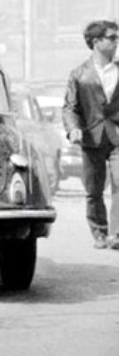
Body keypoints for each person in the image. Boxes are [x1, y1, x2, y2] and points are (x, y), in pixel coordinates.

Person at [62, 20, 119, 250]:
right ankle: (99, 233)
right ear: (96, 42)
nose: (116, 42)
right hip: (91, 137)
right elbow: (70, 107)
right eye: (112, 38)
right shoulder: (79, 74)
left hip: (117, 137)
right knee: (93, 190)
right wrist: (73, 128)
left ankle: (116, 235)